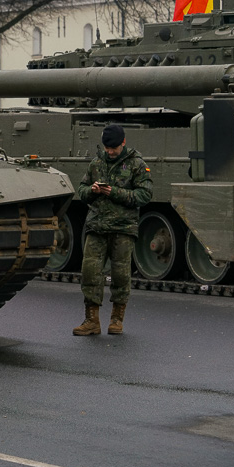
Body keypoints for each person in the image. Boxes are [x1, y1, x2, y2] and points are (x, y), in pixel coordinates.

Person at [73, 124, 152, 336]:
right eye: (107, 148)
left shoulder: (136, 164)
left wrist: (113, 192)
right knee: (90, 272)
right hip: (97, 226)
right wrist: (92, 190)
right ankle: (92, 321)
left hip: (123, 228)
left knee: (120, 275)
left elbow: (144, 195)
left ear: (123, 143)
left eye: (114, 148)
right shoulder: (96, 163)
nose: (110, 151)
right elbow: (81, 190)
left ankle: (117, 320)